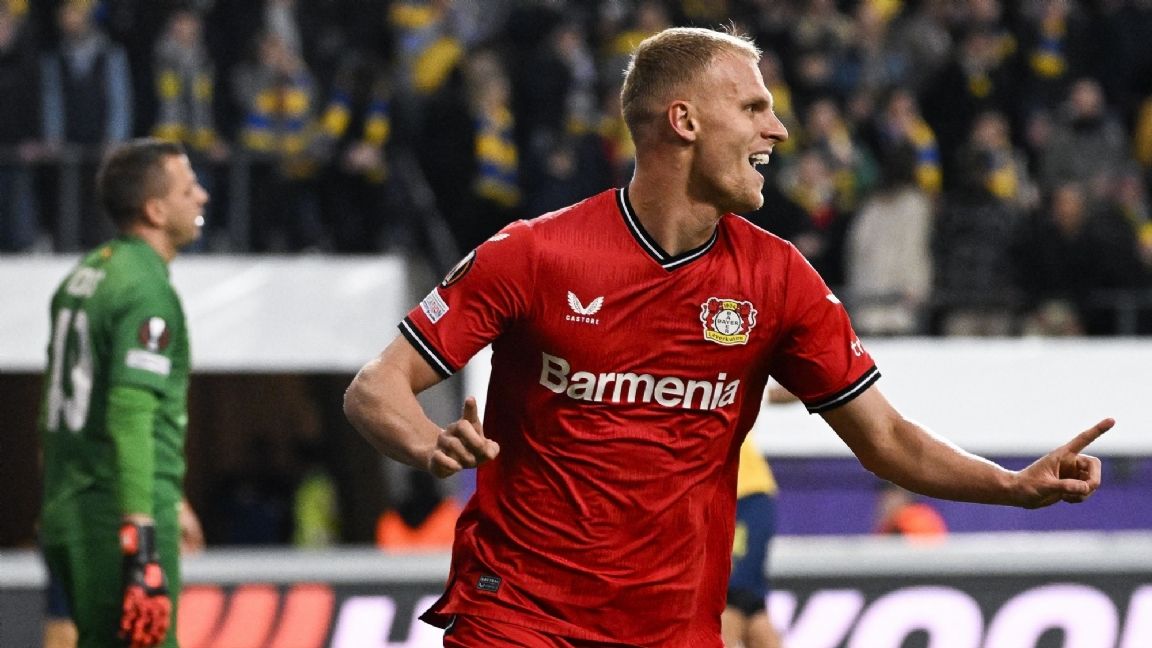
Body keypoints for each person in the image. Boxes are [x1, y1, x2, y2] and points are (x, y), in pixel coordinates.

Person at [343, 27, 1112, 647]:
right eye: (752, 108)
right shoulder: (535, 254)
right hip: (518, 618)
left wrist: (1011, 486)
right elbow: (376, 388)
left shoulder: (780, 280)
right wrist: (427, 443)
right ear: (684, 121)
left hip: (675, 630)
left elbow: (886, 439)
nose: (777, 128)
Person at [38, 138, 208, 648]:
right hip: (116, 512)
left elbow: (61, 407)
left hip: (70, 505)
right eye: (187, 189)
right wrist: (141, 532)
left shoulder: (87, 274)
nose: (202, 196)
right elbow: (129, 414)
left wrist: (174, 500)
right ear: (155, 211)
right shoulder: (145, 289)